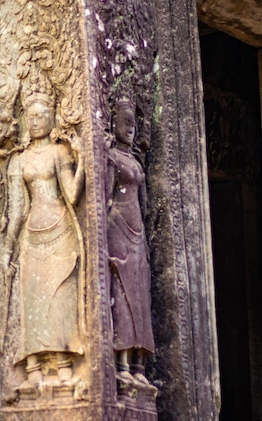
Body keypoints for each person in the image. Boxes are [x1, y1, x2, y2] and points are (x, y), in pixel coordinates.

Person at [1, 92, 84, 391]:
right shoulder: (18, 161)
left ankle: (64, 362)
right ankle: (33, 365)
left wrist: (83, 157)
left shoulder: (59, 153)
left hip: (61, 230)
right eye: (31, 117)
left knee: (60, 298)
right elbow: (17, 211)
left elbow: (72, 195)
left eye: (42, 116)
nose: (36, 122)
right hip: (32, 237)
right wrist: (7, 249)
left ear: (52, 119)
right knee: (32, 301)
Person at [106, 101, 155, 385]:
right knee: (121, 293)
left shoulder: (135, 162)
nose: (130, 129)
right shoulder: (112, 158)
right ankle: (121, 364)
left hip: (137, 231)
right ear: (113, 125)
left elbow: (144, 204)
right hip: (117, 227)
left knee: (139, 297)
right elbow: (104, 197)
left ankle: (140, 364)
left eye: (132, 124)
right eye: (125, 122)